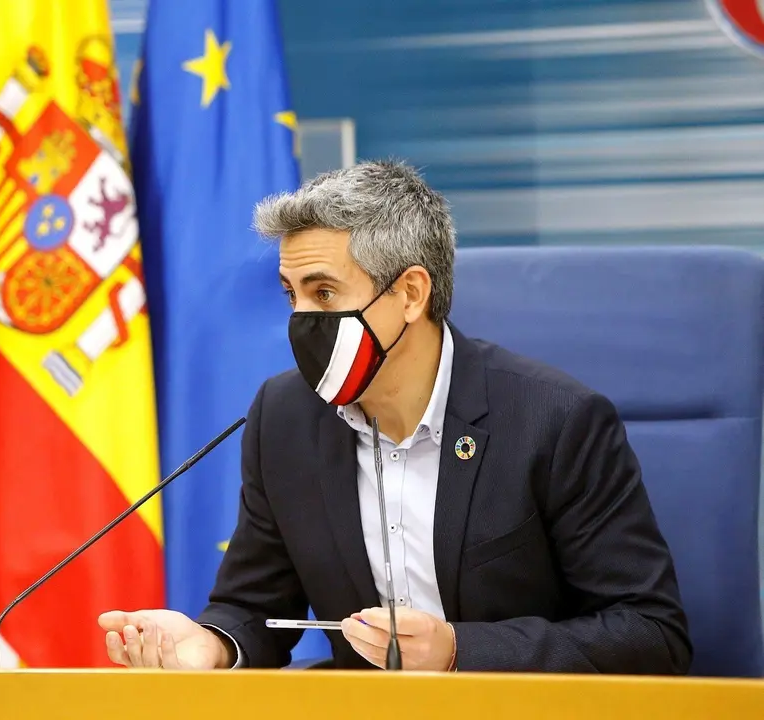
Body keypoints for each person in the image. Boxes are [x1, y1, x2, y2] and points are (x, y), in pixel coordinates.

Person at [98, 160, 692, 673]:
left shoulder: (554, 420)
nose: (301, 318)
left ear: (411, 294)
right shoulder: (285, 417)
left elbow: (650, 633)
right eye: (291, 294)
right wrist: (212, 646)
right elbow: (252, 608)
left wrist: (460, 650)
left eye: (324, 293)